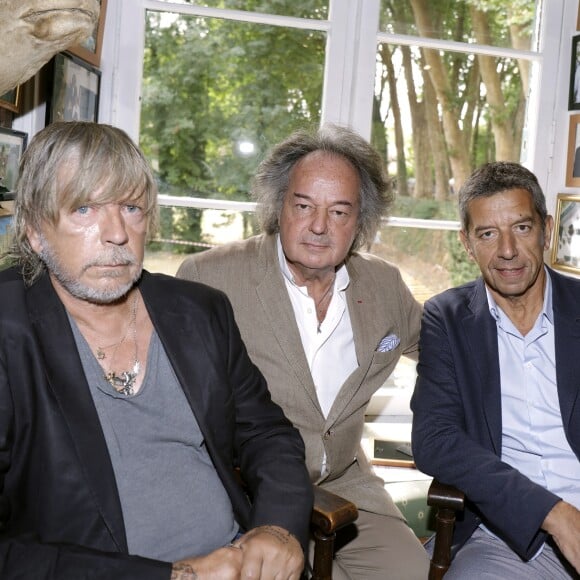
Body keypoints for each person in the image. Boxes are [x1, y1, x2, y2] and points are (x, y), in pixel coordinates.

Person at [0, 121, 312, 579]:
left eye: (131, 207)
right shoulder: (10, 332)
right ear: (33, 230)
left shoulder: (199, 310)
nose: (116, 234)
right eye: (84, 208)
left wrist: (279, 528)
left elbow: (267, 434)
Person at [177, 124, 429, 579]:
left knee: (412, 572)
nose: (318, 226)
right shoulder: (209, 277)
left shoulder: (384, 285)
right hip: (250, 491)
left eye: (339, 212)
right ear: (279, 206)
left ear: (360, 222)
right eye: (304, 206)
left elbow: (440, 350)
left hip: (348, 486)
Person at [411, 161, 580, 579]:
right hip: (508, 537)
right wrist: (552, 513)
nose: (507, 250)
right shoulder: (446, 318)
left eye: (521, 228)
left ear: (546, 229)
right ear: (467, 243)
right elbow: (435, 439)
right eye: (487, 234)